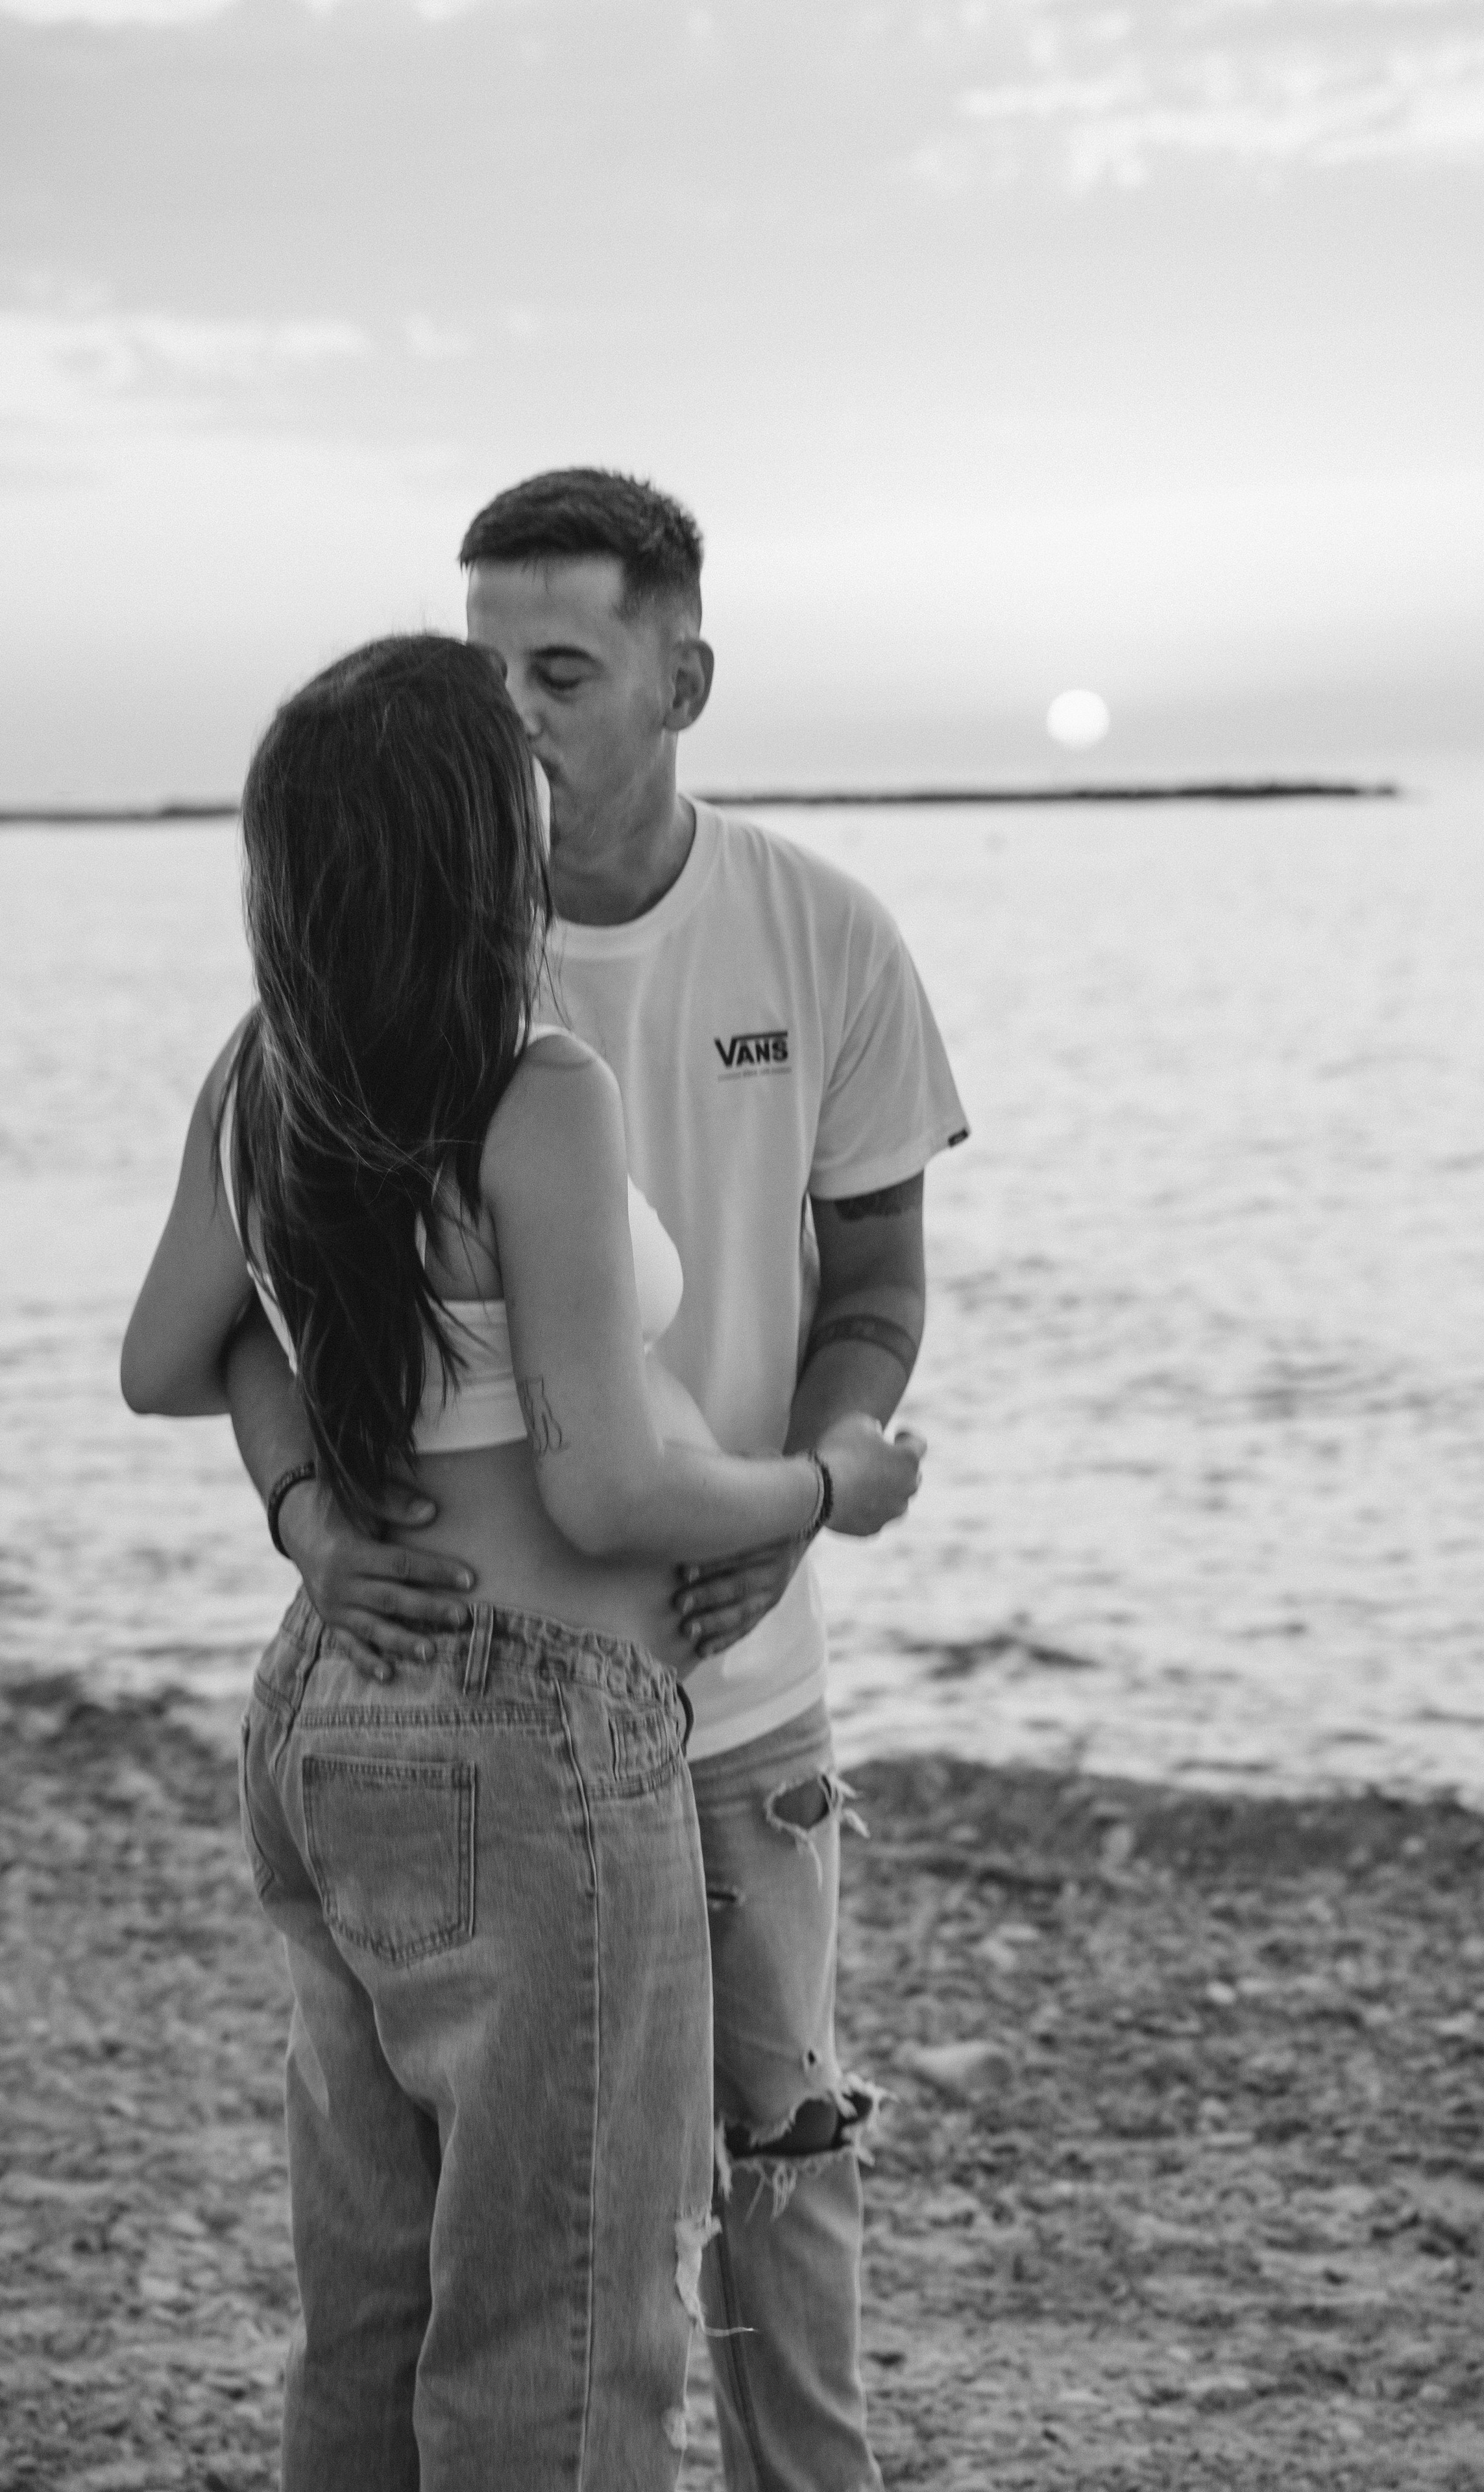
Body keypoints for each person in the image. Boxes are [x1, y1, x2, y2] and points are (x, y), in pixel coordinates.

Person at [220, 472, 969, 2492]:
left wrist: (797, 1477)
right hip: (514, 1710)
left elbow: (881, 1283)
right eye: (484, 672)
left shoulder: (822, 935)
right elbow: (249, 1302)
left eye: (562, 668)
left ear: (683, 678)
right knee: (534, 2281)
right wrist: (306, 1522)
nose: (515, 713)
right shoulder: (396, 950)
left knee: (783, 2163)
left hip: (740, 1677)